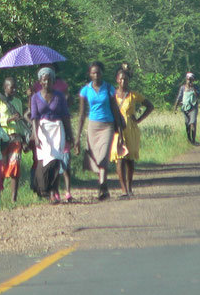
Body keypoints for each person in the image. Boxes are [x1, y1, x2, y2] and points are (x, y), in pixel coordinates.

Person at [74, 61, 123, 201]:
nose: (96, 75)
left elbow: (115, 109)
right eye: (94, 73)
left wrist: (119, 130)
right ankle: (103, 186)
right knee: (95, 158)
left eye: (99, 72)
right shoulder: (85, 90)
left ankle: (102, 184)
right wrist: (78, 137)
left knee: (103, 156)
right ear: (90, 74)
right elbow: (82, 114)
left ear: (102, 73)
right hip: (93, 126)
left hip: (108, 125)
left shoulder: (109, 89)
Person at [30, 67, 74, 203]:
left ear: (53, 81)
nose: (47, 82)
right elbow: (34, 118)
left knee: (55, 161)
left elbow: (66, 116)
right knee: (44, 160)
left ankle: (53, 192)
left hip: (57, 128)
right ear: (40, 82)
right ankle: (45, 188)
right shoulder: (35, 97)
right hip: (42, 129)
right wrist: (35, 136)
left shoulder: (59, 96)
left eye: (49, 80)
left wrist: (70, 134)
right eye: (44, 80)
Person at [110, 67, 154, 198]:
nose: (123, 81)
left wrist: (139, 119)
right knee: (119, 158)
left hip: (131, 128)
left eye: (126, 79)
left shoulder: (133, 95)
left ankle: (129, 187)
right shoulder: (112, 95)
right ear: (117, 80)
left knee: (129, 160)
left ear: (128, 81)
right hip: (117, 128)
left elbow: (150, 106)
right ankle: (123, 189)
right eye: (121, 79)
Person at [0, 77, 28, 202]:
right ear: (5, 87)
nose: (14, 90)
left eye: (15, 87)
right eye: (12, 87)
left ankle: (13, 199)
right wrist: (9, 120)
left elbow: (21, 122)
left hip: (16, 137)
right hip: (2, 139)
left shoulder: (18, 102)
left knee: (15, 167)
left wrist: (24, 138)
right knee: (1, 167)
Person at [173, 72, 200, 144]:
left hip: (193, 107)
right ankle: (189, 139)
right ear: (186, 79)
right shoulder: (183, 88)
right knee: (187, 124)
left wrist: (193, 88)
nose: (189, 81)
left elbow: (198, 96)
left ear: (193, 80)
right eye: (188, 79)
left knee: (193, 123)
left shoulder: (196, 87)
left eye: (191, 79)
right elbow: (179, 97)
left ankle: (193, 140)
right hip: (185, 108)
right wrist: (175, 107)